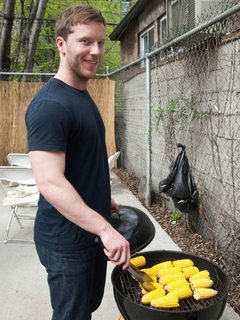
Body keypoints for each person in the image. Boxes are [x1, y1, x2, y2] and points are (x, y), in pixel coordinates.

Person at [25, 5, 130, 320]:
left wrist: (101, 198)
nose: (96, 51)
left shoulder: (80, 95)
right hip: (65, 241)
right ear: (61, 44)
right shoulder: (50, 105)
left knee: (85, 309)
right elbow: (50, 182)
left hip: (86, 232)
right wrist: (106, 230)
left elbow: (83, 162)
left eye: (100, 42)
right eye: (85, 41)